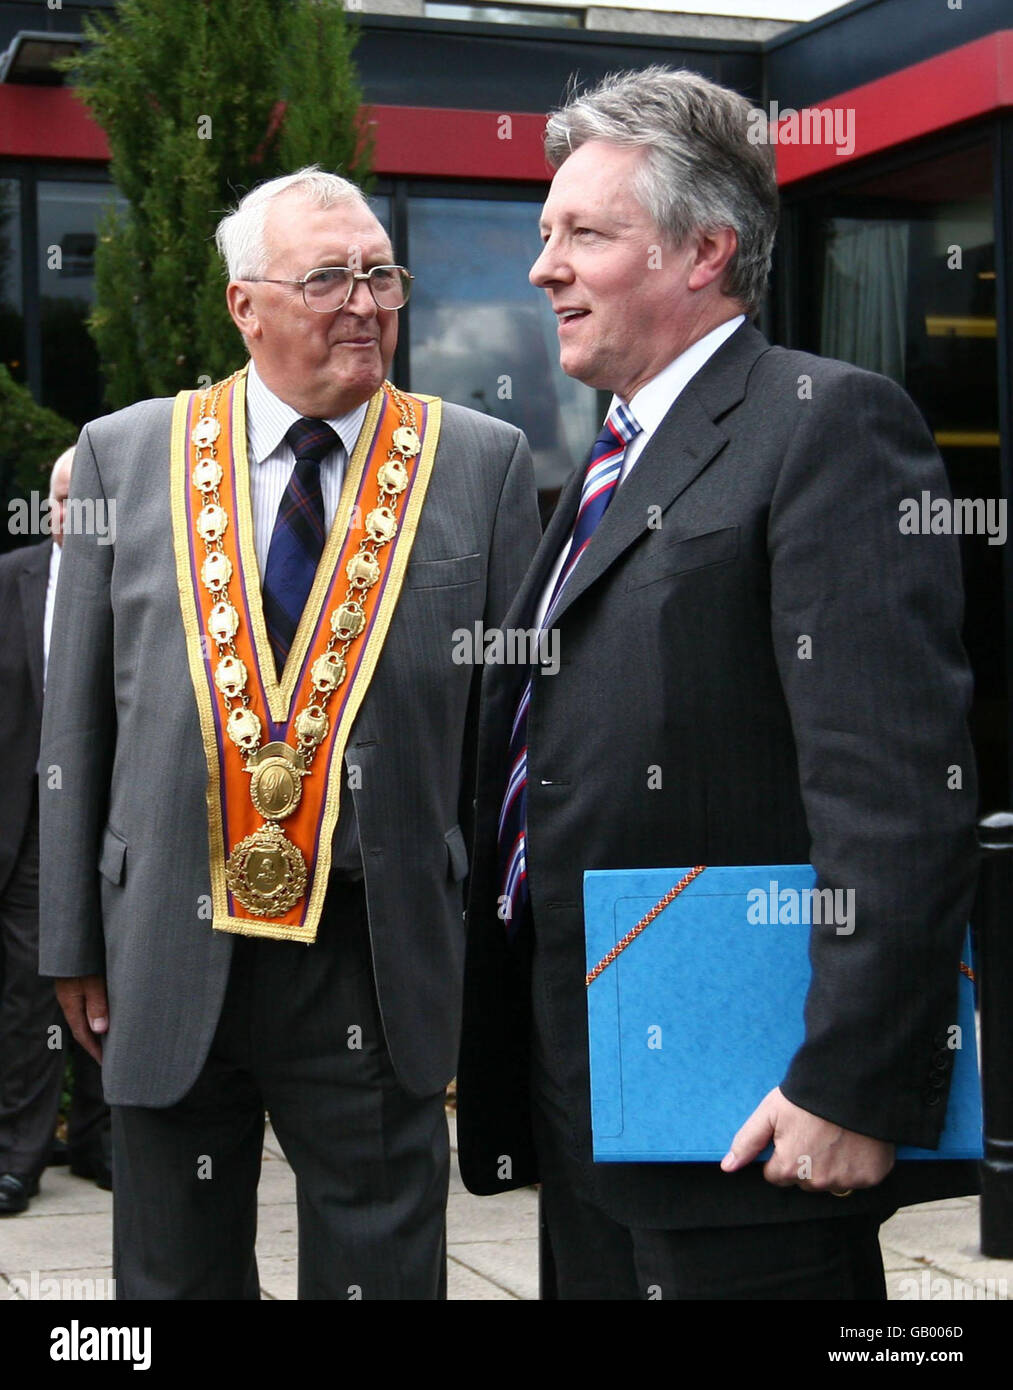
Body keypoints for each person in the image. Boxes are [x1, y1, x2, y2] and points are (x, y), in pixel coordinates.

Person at [456, 67, 980, 1300]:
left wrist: (849, 1081)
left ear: (705, 251)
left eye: (584, 233)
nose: (543, 268)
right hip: (594, 1095)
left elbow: (893, 792)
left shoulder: (824, 426)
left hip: (751, 1113)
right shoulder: (610, 459)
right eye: (544, 233)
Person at [39, 166, 540, 1297]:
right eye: (328, 278)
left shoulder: (478, 460)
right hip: (169, 939)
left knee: (381, 1268)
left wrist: (501, 957)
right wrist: (71, 937)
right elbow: (77, 719)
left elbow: (506, 742)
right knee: (172, 1275)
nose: (363, 303)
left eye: (380, 275)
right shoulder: (126, 453)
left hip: (376, 951)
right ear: (244, 305)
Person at [0, 451, 111, 1216]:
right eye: (61, 499)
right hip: (29, 823)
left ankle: (105, 1144)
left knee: (118, 984)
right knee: (27, 995)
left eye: (84, 500)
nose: (69, 514)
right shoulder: (9, 581)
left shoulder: (140, 579)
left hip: (115, 820)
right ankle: (19, 1154)